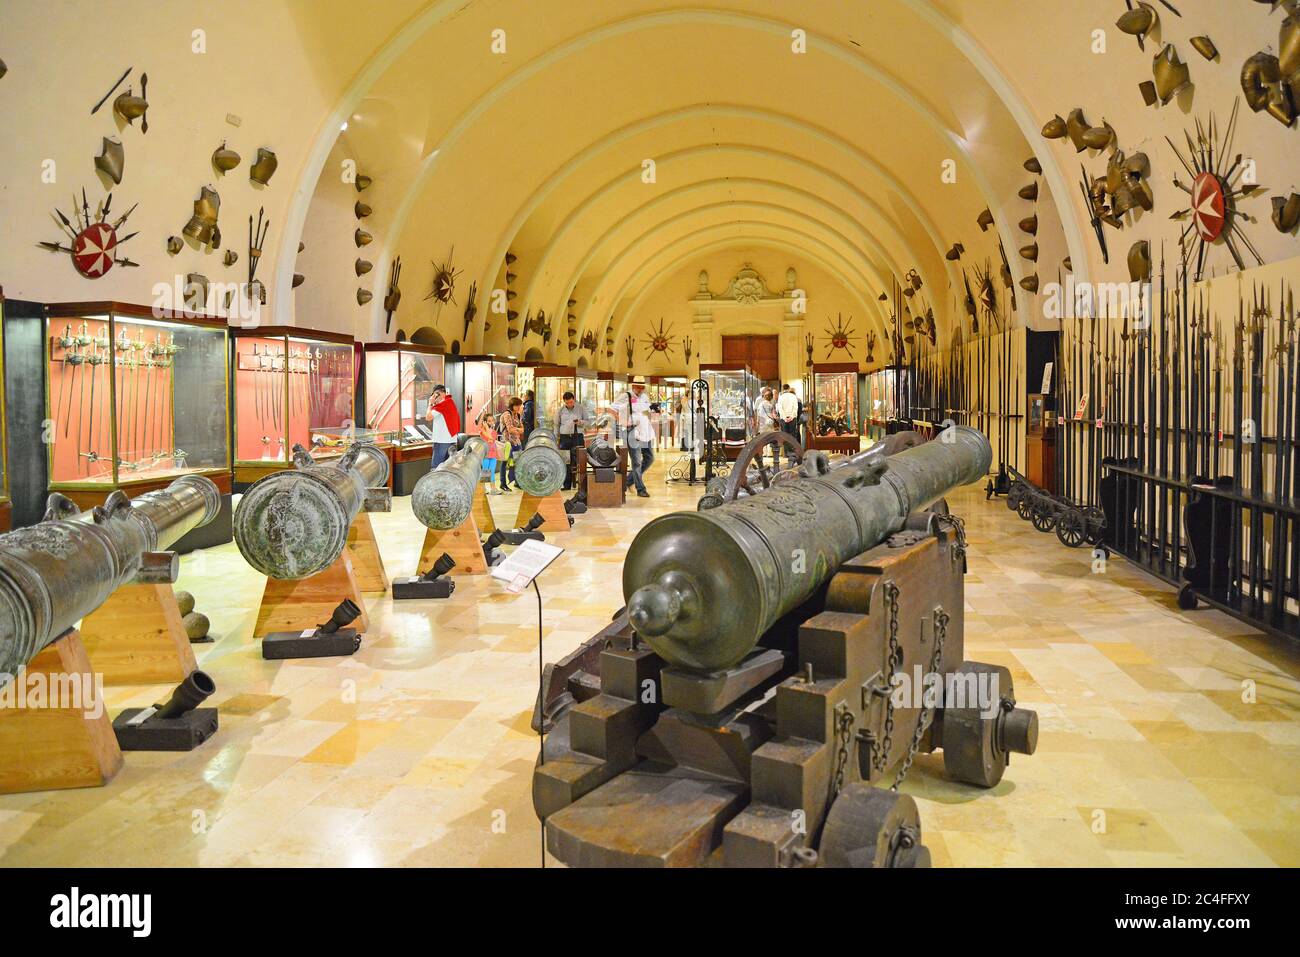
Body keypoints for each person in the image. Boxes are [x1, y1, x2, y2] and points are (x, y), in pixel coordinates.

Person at [621, 377, 654, 498]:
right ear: (633, 385)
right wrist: (623, 422)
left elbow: (647, 410)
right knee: (636, 462)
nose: (641, 389)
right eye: (639, 387)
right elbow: (612, 409)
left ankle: (627, 482)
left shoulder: (644, 397)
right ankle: (641, 489)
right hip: (632, 431)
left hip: (645, 431)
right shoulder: (626, 396)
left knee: (649, 458)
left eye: (642, 387)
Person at [556, 390, 587, 490]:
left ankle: (581, 484)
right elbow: (556, 424)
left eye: (571, 402)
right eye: (567, 402)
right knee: (566, 461)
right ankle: (567, 484)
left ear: (574, 400)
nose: (569, 404)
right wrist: (556, 437)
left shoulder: (581, 408)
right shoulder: (560, 410)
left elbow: (588, 422)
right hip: (565, 437)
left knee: (579, 459)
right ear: (564, 402)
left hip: (577, 436)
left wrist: (580, 422)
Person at [425, 384, 459, 469]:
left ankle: (435, 483)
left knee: (436, 467)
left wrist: (430, 403)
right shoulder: (450, 402)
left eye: (434, 395)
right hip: (451, 440)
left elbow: (428, 417)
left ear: (437, 394)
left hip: (441, 441)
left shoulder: (443, 404)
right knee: (448, 467)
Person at [497, 396, 524, 491]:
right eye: (518, 405)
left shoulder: (518, 415)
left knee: (518, 462)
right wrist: (517, 430)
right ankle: (503, 483)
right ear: (513, 405)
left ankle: (517, 482)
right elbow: (510, 429)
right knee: (505, 463)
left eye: (520, 406)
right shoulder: (506, 414)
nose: (519, 407)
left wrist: (516, 430)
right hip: (507, 442)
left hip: (517, 442)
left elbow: (522, 429)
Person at [475, 406, 501, 494]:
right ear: (485, 422)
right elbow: (489, 437)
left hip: (493, 454)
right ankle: (483, 489)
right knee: (485, 471)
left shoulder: (493, 431)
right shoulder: (482, 431)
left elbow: (493, 439)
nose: (491, 422)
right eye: (489, 421)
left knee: (492, 471)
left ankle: (493, 489)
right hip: (485, 454)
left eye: (492, 420)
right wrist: (486, 428)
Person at [776, 384, 801, 465]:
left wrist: (784, 417)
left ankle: (787, 453)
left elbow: (780, 408)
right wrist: (792, 416)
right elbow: (795, 407)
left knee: (785, 436)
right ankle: (794, 452)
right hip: (792, 418)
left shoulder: (781, 397)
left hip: (784, 419)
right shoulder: (793, 396)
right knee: (793, 435)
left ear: (783, 389)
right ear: (789, 388)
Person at [754, 387, 776, 466]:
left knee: (763, 438)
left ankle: (763, 453)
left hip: (763, 423)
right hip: (770, 421)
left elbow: (759, 415)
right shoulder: (771, 404)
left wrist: (757, 423)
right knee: (770, 437)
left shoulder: (761, 404)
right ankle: (769, 453)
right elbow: (773, 414)